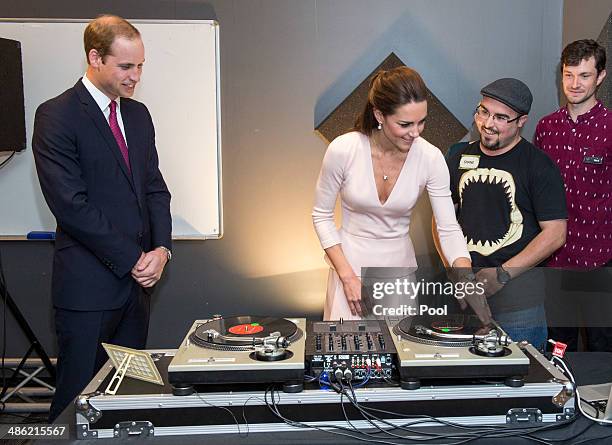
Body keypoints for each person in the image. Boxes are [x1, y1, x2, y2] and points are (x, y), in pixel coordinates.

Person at [32, 15, 172, 421]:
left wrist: (161, 251)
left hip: (137, 292)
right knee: (76, 405)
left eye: (141, 65)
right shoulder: (57, 115)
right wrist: (133, 259)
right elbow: (71, 205)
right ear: (94, 57)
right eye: (126, 66)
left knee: (128, 402)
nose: (136, 76)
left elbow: (155, 190)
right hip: (88, 293)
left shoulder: (139, 116)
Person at [312, 66, 475, 321]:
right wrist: (346, 276)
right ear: (379, 114)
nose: (416, 132)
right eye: (405, 124)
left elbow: (448, 228)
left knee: (396, 355)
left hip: (398, 278)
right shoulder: (343, 150)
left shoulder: (430, 157)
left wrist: (464, 273)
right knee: (348, 356)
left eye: (422, 122)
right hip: (349, 272)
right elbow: (321, 216)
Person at [442, 78, 567, 350]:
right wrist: (458, 273)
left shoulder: (539, 165)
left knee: (522, 386)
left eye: (501, 118)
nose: (488, 123)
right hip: (464, 300)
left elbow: (556, 234)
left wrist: (502, 275)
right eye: (483, 111)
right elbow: (442, 221)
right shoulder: (458, 157)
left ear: (521, 121)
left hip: (519, 307)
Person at [534, 39, 612, 351]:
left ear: (600, 77)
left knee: (603, 350)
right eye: (569, 75)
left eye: (584, 75)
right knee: (557, 349)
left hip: (600, 260)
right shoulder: (546, 128)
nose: (575, 84)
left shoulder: (610, 127)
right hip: (554, 261)